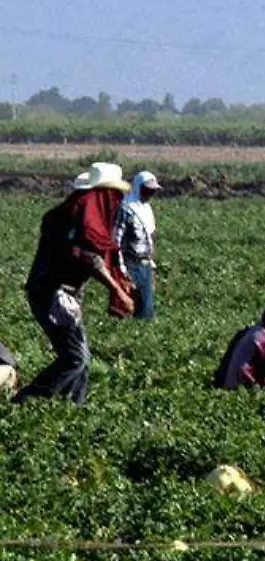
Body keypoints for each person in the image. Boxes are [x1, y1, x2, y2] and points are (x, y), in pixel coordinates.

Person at [16, 162, 136, 405]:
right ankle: (28, 399)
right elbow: (88, 257)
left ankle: (74, 406)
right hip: (53, 294)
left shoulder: (79, 212)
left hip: (58, 294)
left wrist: (121, 282)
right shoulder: (79, 215)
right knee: (75, 358)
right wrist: (117, 290)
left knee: (80, 357)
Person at [117, 170, 162, 319]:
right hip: (130, 264)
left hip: (145, 264)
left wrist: (152, 266)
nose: (150, 194)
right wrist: (120, 269)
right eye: (147, 190)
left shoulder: (147, 209)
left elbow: (151, 239)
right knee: (127, 306)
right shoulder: (126, 209)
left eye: (153, 191)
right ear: (138, 187)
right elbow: (116, 240)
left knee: (146, 310)